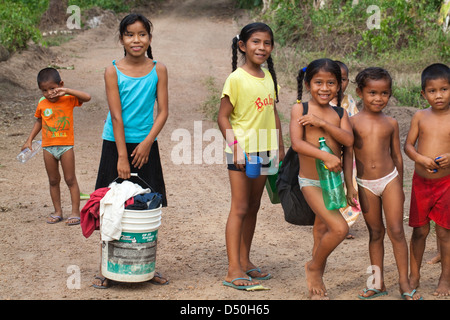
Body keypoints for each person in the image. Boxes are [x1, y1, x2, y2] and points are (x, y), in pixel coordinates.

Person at [92, 13, 169, 289]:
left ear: (149, 38)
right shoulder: (112, 70)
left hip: (147, 144)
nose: (136, 40)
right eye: (129, 35)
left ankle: (147, 265)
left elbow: (163, 112)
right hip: (116, 144)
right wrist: (123, 156)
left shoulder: (158, 69)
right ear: (121, 39)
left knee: (148, 205)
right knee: (109, 204)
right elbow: (116, 116)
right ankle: (106, 268)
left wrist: (148, 142)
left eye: (142, 34)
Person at [217, 22, 285, 290]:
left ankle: (245, 260)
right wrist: (235, 147)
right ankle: (232, 268)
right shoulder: (236, 79)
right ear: (243, 46)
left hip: (265, 150)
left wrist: (280, 147)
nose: (262, 47)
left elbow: (274, 114)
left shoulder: (268, 77)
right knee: (240, 207)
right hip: (243, 152)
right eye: (256, 42)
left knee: (255, 206)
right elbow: (222, 116)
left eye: (267, 43)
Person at [345, 67, 421, 300]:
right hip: (365, 184)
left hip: (390, 181)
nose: (379, 98)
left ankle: (404, 283)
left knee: (397, 231)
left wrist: (400, 184)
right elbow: (348, 155)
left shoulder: (391, 123)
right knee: (375, 232)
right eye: (372, 93)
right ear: (360, 92)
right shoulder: (351, 122)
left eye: (384, 93)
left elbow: (397, 156)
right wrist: (350, 185)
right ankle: (376, 283)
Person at [290, 59, 353, 299]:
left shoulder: (339, 113)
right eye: (318, 82)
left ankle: (316, 283)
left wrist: (321, 123)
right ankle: (314, 268)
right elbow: (297, 144)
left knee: (321, 231)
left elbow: (348, 142)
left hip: (334, 183)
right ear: (308, 84)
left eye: (331, 83)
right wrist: (324, 156)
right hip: (311, 182)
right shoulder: (301, 109)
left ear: (339, 86)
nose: (324, 88)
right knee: (340, 228)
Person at [22, 67, 91, 225]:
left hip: (66, 146)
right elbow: (39, 121)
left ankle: (75, 212)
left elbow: (87, 97)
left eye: (52, 88)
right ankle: (58, 211)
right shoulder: (42, 103)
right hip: (48, 147)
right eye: (44, 90)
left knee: (70, 179)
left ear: (60, 84)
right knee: (53, 180)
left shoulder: (68, 98)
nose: (49, 93)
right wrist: (29, 139)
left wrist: (66, 91)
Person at [404, 63, 450, 297]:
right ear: (423, 93)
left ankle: (445, 277)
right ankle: (415, 275)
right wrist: (420, 158)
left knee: (444, 232)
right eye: (432, 91)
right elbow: (408, 145)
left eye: (444, 89)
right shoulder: (420, 116)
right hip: (421, 184)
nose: (438, 95)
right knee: (419, 231)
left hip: (446, 184)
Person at [331, 60, 360, 239]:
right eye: (336, 79)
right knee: (330, 188)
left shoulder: (349, 100)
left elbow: (355, 122)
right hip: (329, 154)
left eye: (344, 79)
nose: (340, 84)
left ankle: (344, 224)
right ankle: (331, 224)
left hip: (348, 154)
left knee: (348, 187)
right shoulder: (323, 102)